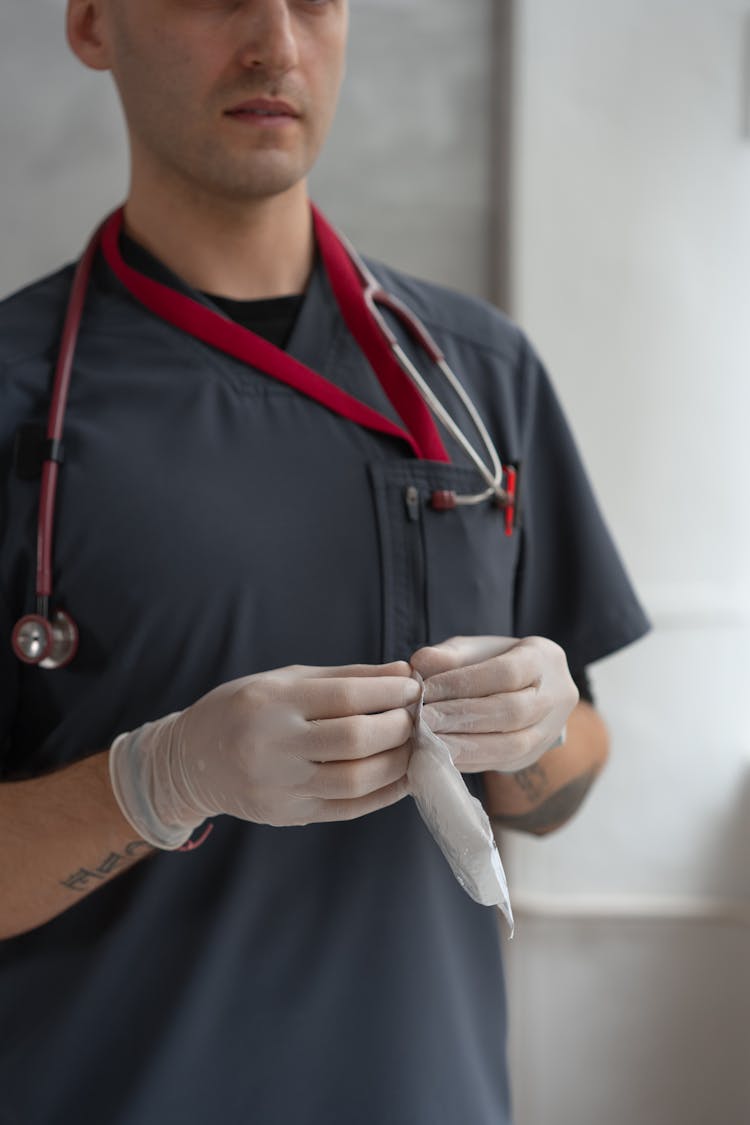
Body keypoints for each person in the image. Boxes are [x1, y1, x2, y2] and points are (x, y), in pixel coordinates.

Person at [0, 2, 649, 1122]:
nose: (275, 43)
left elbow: (568, 777)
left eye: (314, 0)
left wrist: (534, 741)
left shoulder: (478, 377)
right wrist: (155, 780)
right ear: (95, 23)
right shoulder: (20, 399)